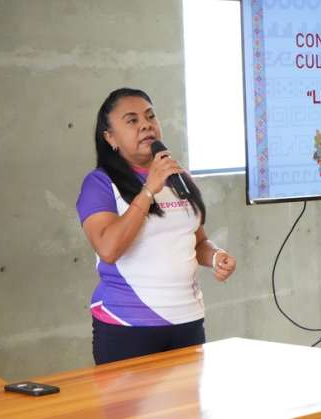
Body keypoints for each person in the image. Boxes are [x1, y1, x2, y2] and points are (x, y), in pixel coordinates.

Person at [76, 88, 236, 365]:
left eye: (150, 116)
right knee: (130, 411)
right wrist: (149, 189)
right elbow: (108, 249)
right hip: (126, 325)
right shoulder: (100, 184)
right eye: (132, 120)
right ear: (110, 137)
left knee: (186, 409)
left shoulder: (179, 178)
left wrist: (216, 256)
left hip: (187, 320)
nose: (146, 125)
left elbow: (196, 241)